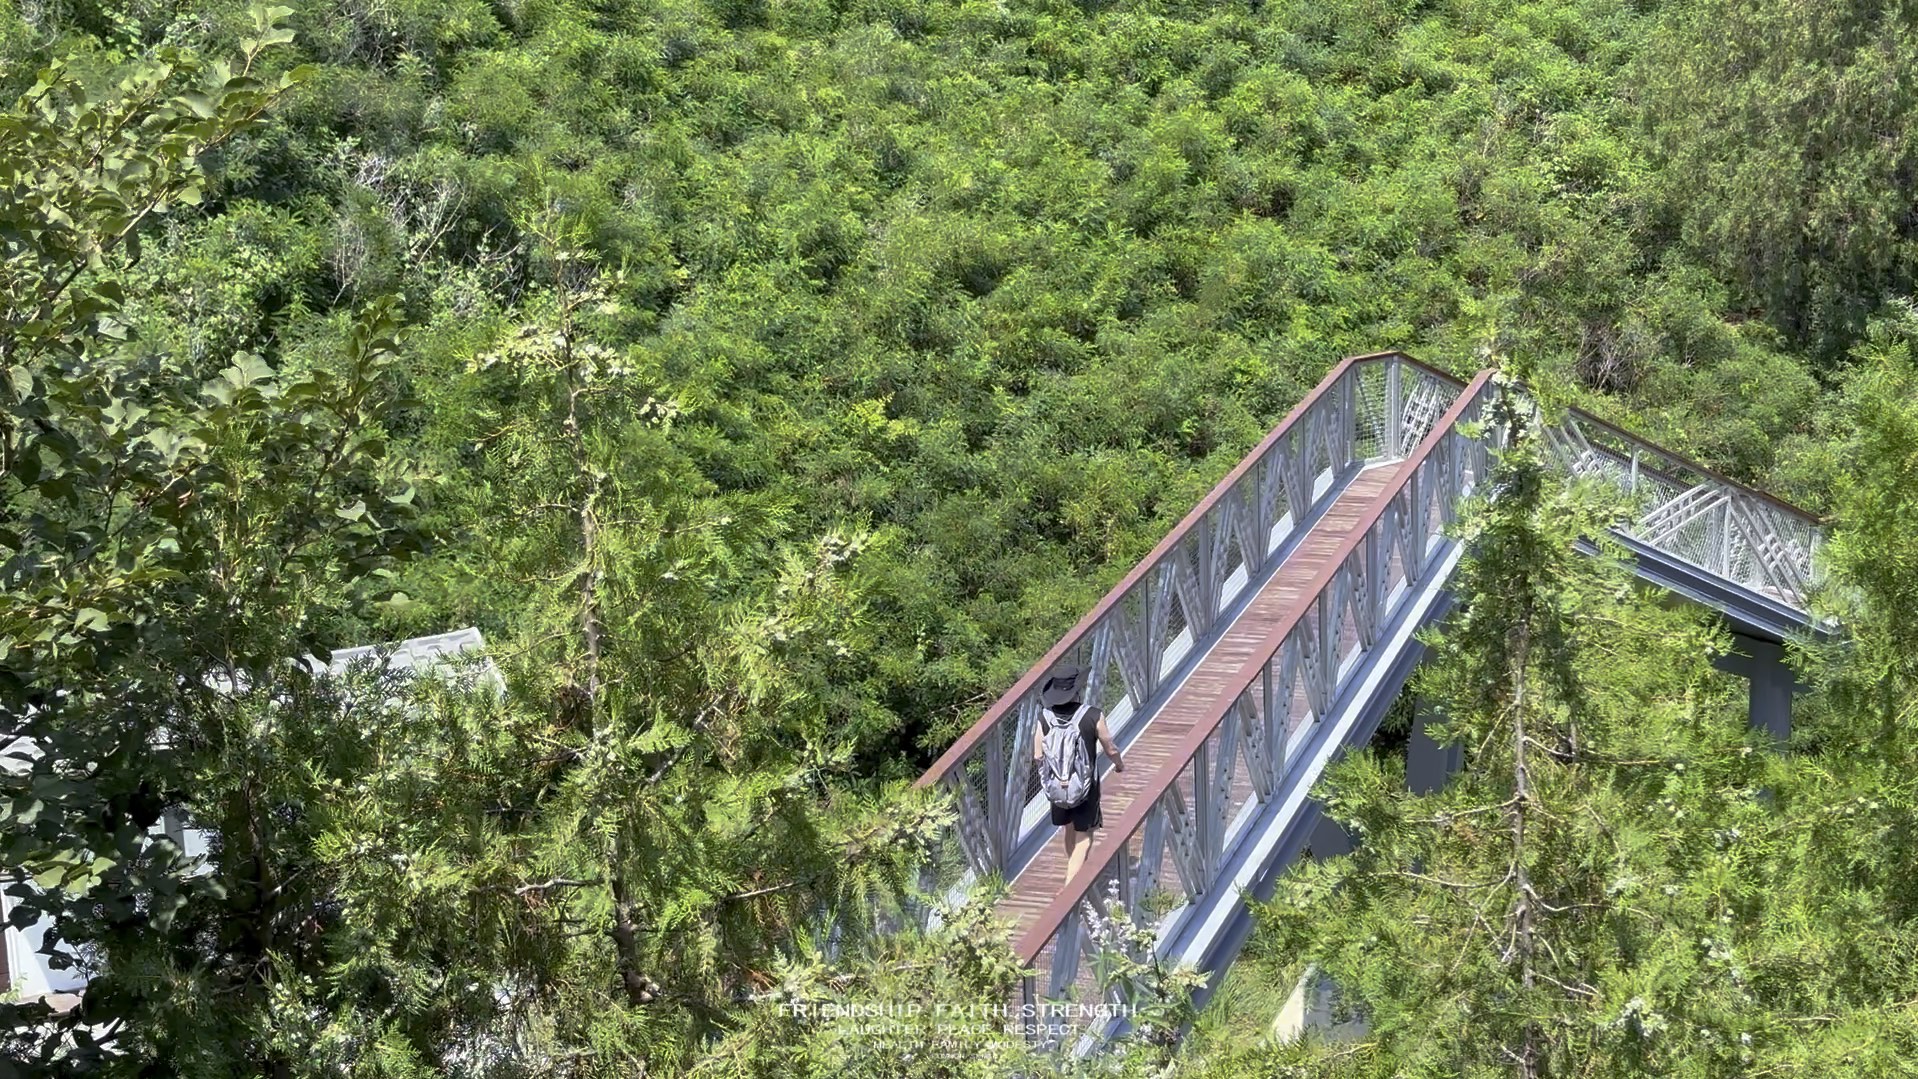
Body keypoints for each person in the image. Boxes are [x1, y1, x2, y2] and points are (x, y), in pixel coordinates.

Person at [1032, 663, 1124, 885]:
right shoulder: (1092, 715)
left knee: (1069, 829)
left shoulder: (1045, 717)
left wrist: (1054, 776)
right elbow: (1110, 748)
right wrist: (1119, 765)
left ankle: (1073, 868)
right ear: (1077, 690)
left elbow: (1037, 755)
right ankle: (1070, 889)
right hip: (1085, 788)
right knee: (1085, 838)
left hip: (1057, 787)